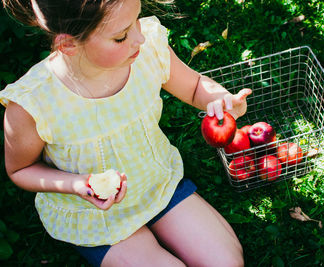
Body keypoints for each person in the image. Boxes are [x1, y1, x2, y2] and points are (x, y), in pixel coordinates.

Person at [1, 0, 252, 266]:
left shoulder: (147, 51)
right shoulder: (34, 103)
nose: (139, 38)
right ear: (69, 45)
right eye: (121, 36)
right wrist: (77, 185)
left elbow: (193, 87)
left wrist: (222, 101)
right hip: (93, 214)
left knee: (226, 263)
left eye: (137, 20)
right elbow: (20, 169)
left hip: (155, 184)